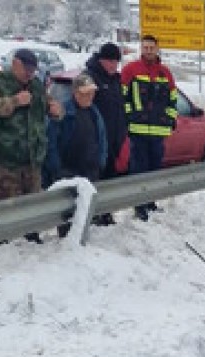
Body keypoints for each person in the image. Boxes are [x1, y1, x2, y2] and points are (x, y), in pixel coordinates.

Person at [0, 48, 63, 243]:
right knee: (5, 207)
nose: (30, 73)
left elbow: (50, 105)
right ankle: (0, 243)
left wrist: (56, 110)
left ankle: (32, 239)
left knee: (32, 206)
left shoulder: (36, 85)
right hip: (7, 159)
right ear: (15, 64)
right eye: (26, 69)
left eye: (33, 70)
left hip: (33, 158)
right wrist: (15, 101)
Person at [121, 35, 177, 221]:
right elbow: (124, 97)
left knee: (154, 168)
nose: (148, 51)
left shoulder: (165, 72)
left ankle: (151, 202)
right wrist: (130, 116)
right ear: (141, 49)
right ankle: (140, 205)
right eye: (145, 47)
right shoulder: (131, 70)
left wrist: (169, 119)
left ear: (157, 49)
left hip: (159, 131)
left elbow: (173, 99)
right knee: (139, 169)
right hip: (138, 129)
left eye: (151, 48)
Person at [45, 74, 107, 237]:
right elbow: (51, 142)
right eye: (85, 93)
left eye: (91, 93)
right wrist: (57, 168)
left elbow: (101, 138)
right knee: (68, 214)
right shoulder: (64, 112)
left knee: (87, 213)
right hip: (69, 171)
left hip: (91, 170)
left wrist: (101, 160)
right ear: (76, 93)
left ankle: (84, 241)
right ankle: (66, 243)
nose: (89, 97)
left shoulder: (94, 112)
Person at [83, 42, 127, 225]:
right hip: (95, 142)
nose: (113, 65)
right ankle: (92, 216)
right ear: (101, 60)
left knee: (109, 179)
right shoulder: (89, 78)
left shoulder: (116, 80)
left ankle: (106, 213)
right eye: (110, 61)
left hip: (114, 140)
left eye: (116, 61)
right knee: (94, 180)